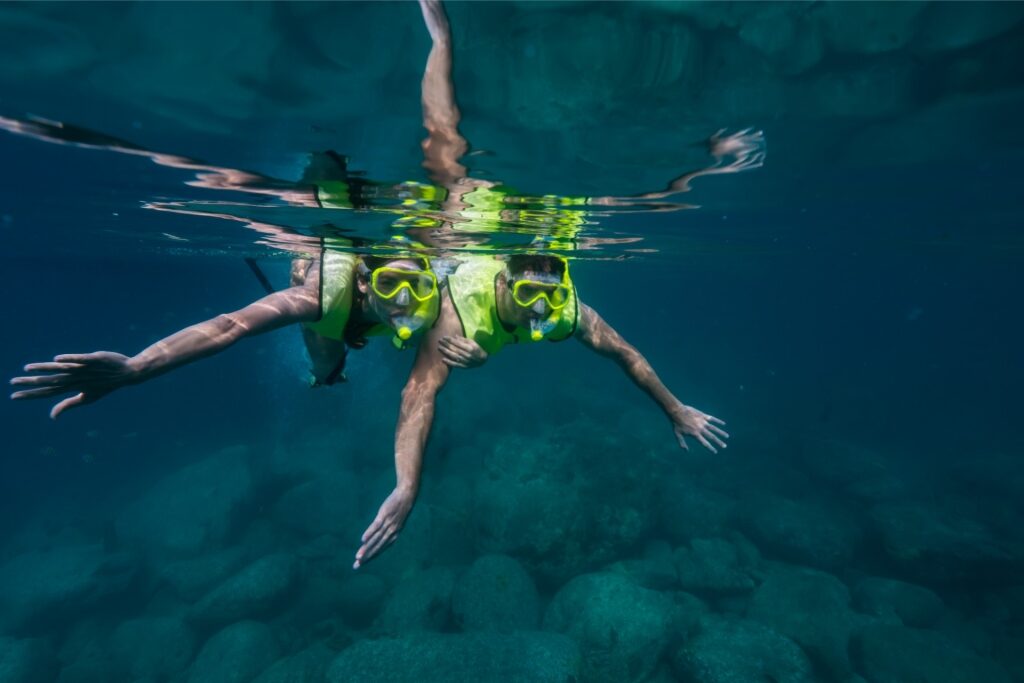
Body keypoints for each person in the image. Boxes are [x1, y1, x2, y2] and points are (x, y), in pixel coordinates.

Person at [353, 252, 729, 568]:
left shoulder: (563, 309)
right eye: (528, 292)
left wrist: (674, 408)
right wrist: (407, 485)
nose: (539, 308)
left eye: (550, 295)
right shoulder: (459, 314)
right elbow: (417, 392)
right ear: (503, 284)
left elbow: (623, 352)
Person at [8, 250, 455, 417]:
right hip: (328, 307)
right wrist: (137, 366)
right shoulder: (320, 299)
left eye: (416, 286)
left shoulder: (433, 300)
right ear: (364, 282)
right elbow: (231, 326)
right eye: (387, 284)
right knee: (326, 364)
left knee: (337, 356)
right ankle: (322, 373)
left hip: (349, 313)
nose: (403, 300)